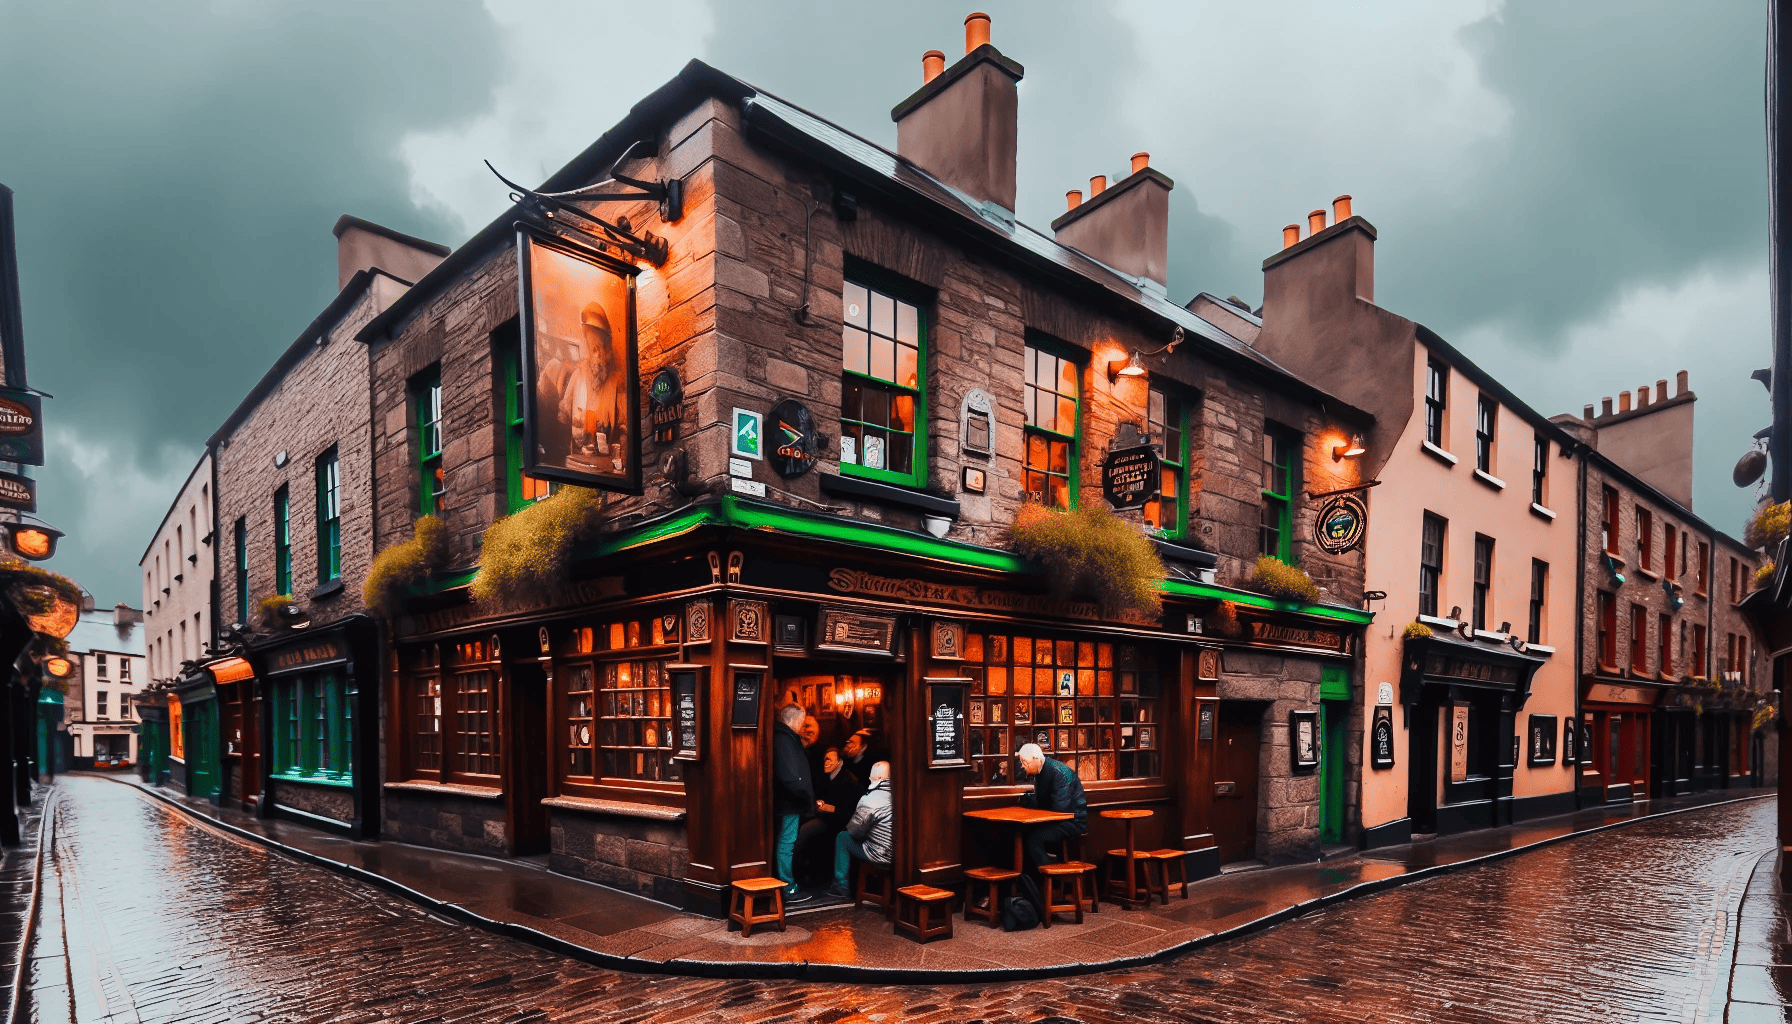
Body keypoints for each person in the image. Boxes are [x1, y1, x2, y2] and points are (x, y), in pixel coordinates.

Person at [825, 761, 893, 899]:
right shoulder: (902, 795)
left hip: (880, 855)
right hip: (899, 854)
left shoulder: (869, 799)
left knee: (842, 838)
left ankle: (841, 886)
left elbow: (854, 832)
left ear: (875, 778)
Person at [1016, 742, 1086, 872]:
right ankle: (1036, 881)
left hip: (1073, 821)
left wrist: (1034, 803)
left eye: (1025, 762)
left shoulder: (1058, 773)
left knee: (1033, 839)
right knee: (1024, 834)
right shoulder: (1041, 771)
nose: (1022, 765)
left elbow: (1061, 810)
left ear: (1036, 759)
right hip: (1059, 820)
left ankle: (1049, 878)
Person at [797, 747, 861, 884]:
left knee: (804, 831)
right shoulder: (828, 777)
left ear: (839, 762)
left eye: (829, 759)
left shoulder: (848, 780)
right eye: (825, 759)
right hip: (826, 819)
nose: (825, 762)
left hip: (838, 824)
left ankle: (803, 875)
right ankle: (808, 875)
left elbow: (849, 812)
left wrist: (829, 808)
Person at [771, 704, 815, 903]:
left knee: (785, 843)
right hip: (789, 803)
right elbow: (790, 777)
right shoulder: (784, 740)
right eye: (802, 722)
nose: (802, 726)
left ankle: (786, 884)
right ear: (795, 720)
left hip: (788, 802)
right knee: (786, 844)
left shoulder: (783, 737)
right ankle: (787, 887)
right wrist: (805, 796)